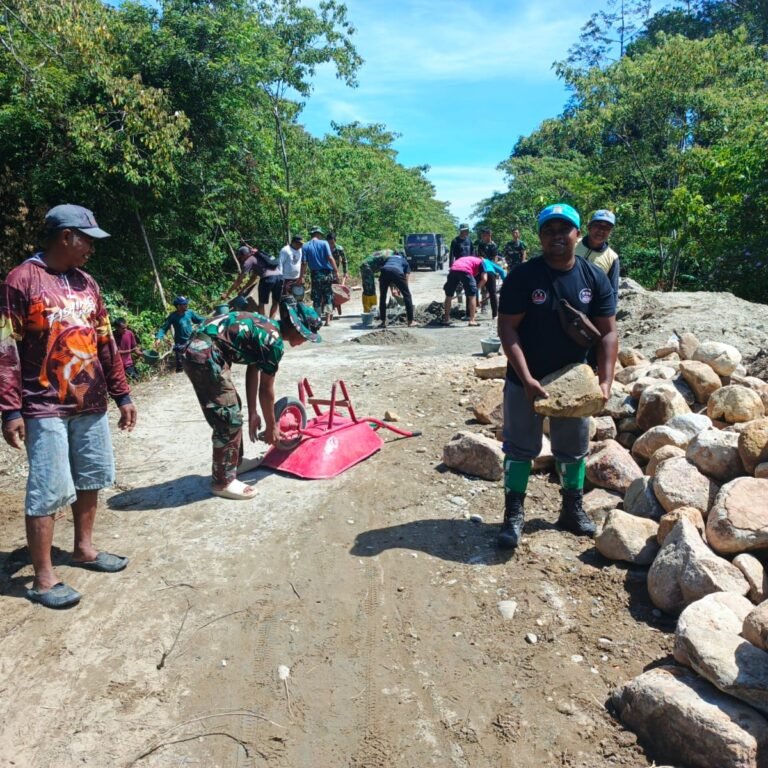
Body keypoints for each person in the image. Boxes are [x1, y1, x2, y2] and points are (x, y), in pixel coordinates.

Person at [0, 204, 137, 609]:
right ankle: (44, 578)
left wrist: (122, 395)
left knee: (91, 477)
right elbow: (5, 348)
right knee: (47, 487)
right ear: (65, 237)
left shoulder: (86, 284)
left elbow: (105, 342)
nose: (90, 249)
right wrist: (10, 410)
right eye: (86, 241)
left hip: (90, 402)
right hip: (43, 405)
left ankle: (84, 549)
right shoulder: (21, 281)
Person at [496, 203, 617, 550]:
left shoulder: (594, 278)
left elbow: (608, 333)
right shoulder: (523, 276)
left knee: (573, 449)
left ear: (577, 234)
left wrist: (605, 380)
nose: (557, 236)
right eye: (549, 230)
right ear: (540, 237)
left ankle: (571, 509)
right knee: (521, 448)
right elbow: (508, 328)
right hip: (525, 378)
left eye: (564, 229)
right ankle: (513, 515)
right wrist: (526, 377)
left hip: (573, 382)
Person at [183, 300, 322, 500]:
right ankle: (222, 482)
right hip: (204, 354)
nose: (305, 340)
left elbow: (253, 369)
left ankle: (235, 463)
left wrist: (253, 413)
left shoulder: (267, 328)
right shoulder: (273, 343)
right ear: (295, 328)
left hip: (202, 350)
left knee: (232, 407)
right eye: (305, 335)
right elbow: (266, 390)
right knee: (228, 417)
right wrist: (272, 426)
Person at [575, 210, 620, 298]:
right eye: (597, 225)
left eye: (607, 228)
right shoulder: (573, 244)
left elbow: (613, 291)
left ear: (610, 232)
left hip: (590, 306)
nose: (601, 230)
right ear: (589, 227)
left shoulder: (612, 258)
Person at [300, 227, 339, 326]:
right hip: (326, 273)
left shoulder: (305, 246)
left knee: (316, 297)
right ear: (318, 234)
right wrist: (336, 271)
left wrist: (302, 276)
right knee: (328, 296)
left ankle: (318, 320)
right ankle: (327, 321)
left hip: (315, 274)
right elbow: (330, 258)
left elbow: (304, 263)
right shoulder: (324, 243)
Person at [155, 297, 205, 372]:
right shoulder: (173, 316)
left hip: (191, 341)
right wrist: (159, 338)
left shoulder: (190, 313)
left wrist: (208, 321)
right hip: (180, 344)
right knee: (181, 365)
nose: (186, 305)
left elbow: (200, 320)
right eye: (184, 304)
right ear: (178, 306)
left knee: (197, 361)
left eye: (186, 303)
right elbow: (164, 328)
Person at [442, 255, 487, 326]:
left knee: (448, 296)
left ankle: (446, 319)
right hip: (466, 271)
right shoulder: (481, 262)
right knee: (472, 296)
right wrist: (477, 288)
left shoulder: (465, 259)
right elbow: (484, 279)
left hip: (453, 270)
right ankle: (472, 320)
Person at [378, 250, 416, 328]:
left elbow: (388, 271)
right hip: (397, 272)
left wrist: (394, 288)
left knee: (382, 296)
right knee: (407, 296)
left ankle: (383, 322)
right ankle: (410, 321)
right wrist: (404, 289)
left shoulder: (388, 258)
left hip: (384, 271)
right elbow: (406, 277)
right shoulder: (403, 260)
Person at [222, 243, 262, 308]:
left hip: (268, 278)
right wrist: (243, 289)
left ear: (244, 255)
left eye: (241, 257)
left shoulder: (247, 262)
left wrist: (227, 294)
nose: (241, 259)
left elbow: (239, 281)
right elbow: (253, 278)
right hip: (278, 276)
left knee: (260, 305)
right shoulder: (255, 258)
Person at [359, 249, 392, 313]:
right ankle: (369, 311)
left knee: (368, 289)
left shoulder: (389, 252)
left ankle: (370, 310)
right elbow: (387, 271)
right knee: (369, 289)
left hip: (366, 265)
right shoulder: (390, 256)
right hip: (367, 266)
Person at [255, 250, 283, 319]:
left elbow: (253, 277)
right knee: (275, 302)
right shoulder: (268, 257)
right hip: (280, 277)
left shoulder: (252, 259)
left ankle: (263, 323)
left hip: (268, 278)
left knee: (261, 303)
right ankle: (272, 322)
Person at [327, 232, 348, 317]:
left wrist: (345, 272)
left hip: (335, 271)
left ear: (335, 241)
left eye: (332, 242)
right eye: (329, 242)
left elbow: (344, 260)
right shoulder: (325, 248)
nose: (331, 244)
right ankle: (329, 309)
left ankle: (336, 306)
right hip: (326, 271)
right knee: (327, 291)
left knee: (336, 291)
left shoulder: (339, 248)